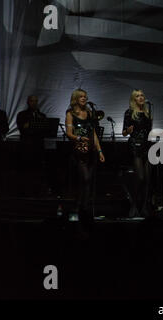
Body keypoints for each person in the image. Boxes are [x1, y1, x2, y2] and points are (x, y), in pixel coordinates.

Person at [65, 89, 105, 226]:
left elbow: (93, 134)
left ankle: (84, 208)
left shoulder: (89, 113)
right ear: (75, 98)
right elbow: (69, 133)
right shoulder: (70, 114)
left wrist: (100, 151)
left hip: (90, 152)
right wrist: (80, 138)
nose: (84, 98)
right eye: (81, 96)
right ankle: (78, 206)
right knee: (84, 178)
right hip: (78, 151)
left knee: (88, 181)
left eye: (85, 96)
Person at [122, 89, 153, 217]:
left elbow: (148, 131)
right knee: (140, 177)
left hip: (146, 145)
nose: (140, 98)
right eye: (138, 96)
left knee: (147, 179)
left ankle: (144, 206)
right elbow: (124, 132)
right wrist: (128, 130)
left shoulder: (147, 112)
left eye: (142, 95)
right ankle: (134, 204)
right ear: (134, 99)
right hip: (135, 145)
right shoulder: (129, 113)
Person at [16, 95, 47, 196]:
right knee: (26, 170)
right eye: (32, 101)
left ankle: (37, 191)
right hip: (26, 146)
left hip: (38, 147)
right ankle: (24, 191)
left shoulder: (42, 115)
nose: (34, 103)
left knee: (38, 170)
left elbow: (45, 130)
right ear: (28, 102)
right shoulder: (22, 114)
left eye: (36, 101)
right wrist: (29, 124)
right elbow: (21, 128)